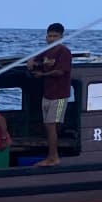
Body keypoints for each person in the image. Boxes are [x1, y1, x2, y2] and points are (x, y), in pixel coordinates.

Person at [26, 21, 72, 167]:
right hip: (47, 94)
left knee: (52, 126)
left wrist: (42, 75)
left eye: (55, 36)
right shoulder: (46, 51)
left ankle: (53, 157)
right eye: (49, 36)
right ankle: (51, 156)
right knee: (47, 126)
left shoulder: (64, 52)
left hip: (59, 96)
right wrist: (31, 62)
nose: (52, 39)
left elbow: (60, 72)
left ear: (61, 37)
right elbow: (34, 59)